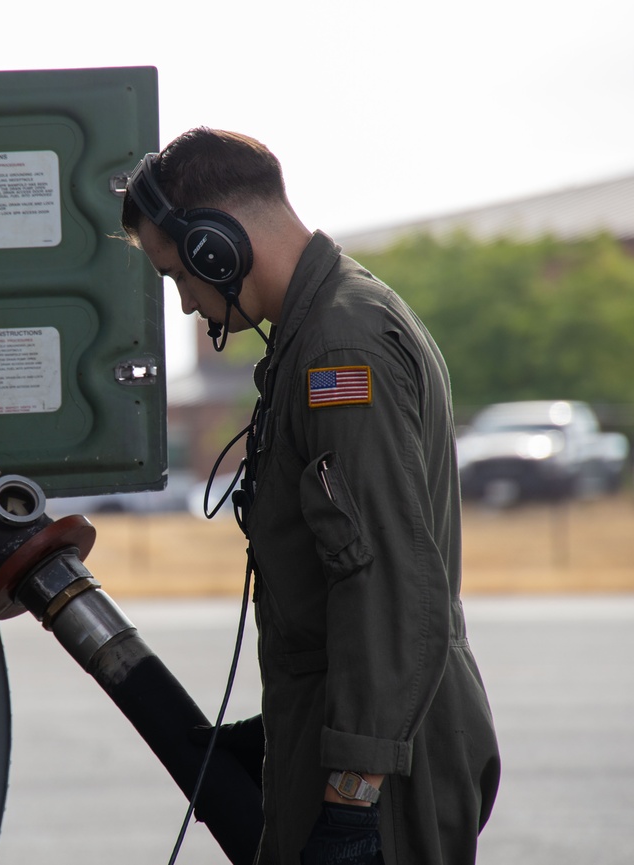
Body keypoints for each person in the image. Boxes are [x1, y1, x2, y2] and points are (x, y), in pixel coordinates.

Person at [121, 128, 500, 865]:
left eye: (178, 277)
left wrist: (352, 802)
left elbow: (389, 583)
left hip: (384, 764)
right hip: (355, 734)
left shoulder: (339, 348)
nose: (188, 303)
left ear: (215, 248)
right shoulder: (316, 333)